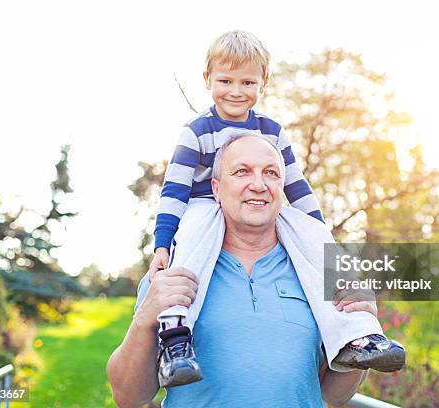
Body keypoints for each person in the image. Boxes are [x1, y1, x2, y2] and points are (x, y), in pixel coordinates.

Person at [147, 30, 405, 387]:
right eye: (225, 80)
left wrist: (318, 232)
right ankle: (175, 339)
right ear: (207, 80)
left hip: (264, 204)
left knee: (316, 241)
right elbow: (174, 190)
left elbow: (296, 185)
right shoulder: (196, 130)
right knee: (189, 244)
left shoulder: (272, 131)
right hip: (206, 204)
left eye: (247, 82)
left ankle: (358, 334)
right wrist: (162, 243)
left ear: (263, 83)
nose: (236, 91)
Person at [108, 135, 383, 407]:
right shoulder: (174, 269)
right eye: (242, 172)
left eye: (271, 173)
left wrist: (359, 325)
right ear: (216, 189)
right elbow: (129, 396)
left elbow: (334, 394)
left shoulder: (316, 271)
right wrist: (145, 319)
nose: (258, 184)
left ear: (282, 187)